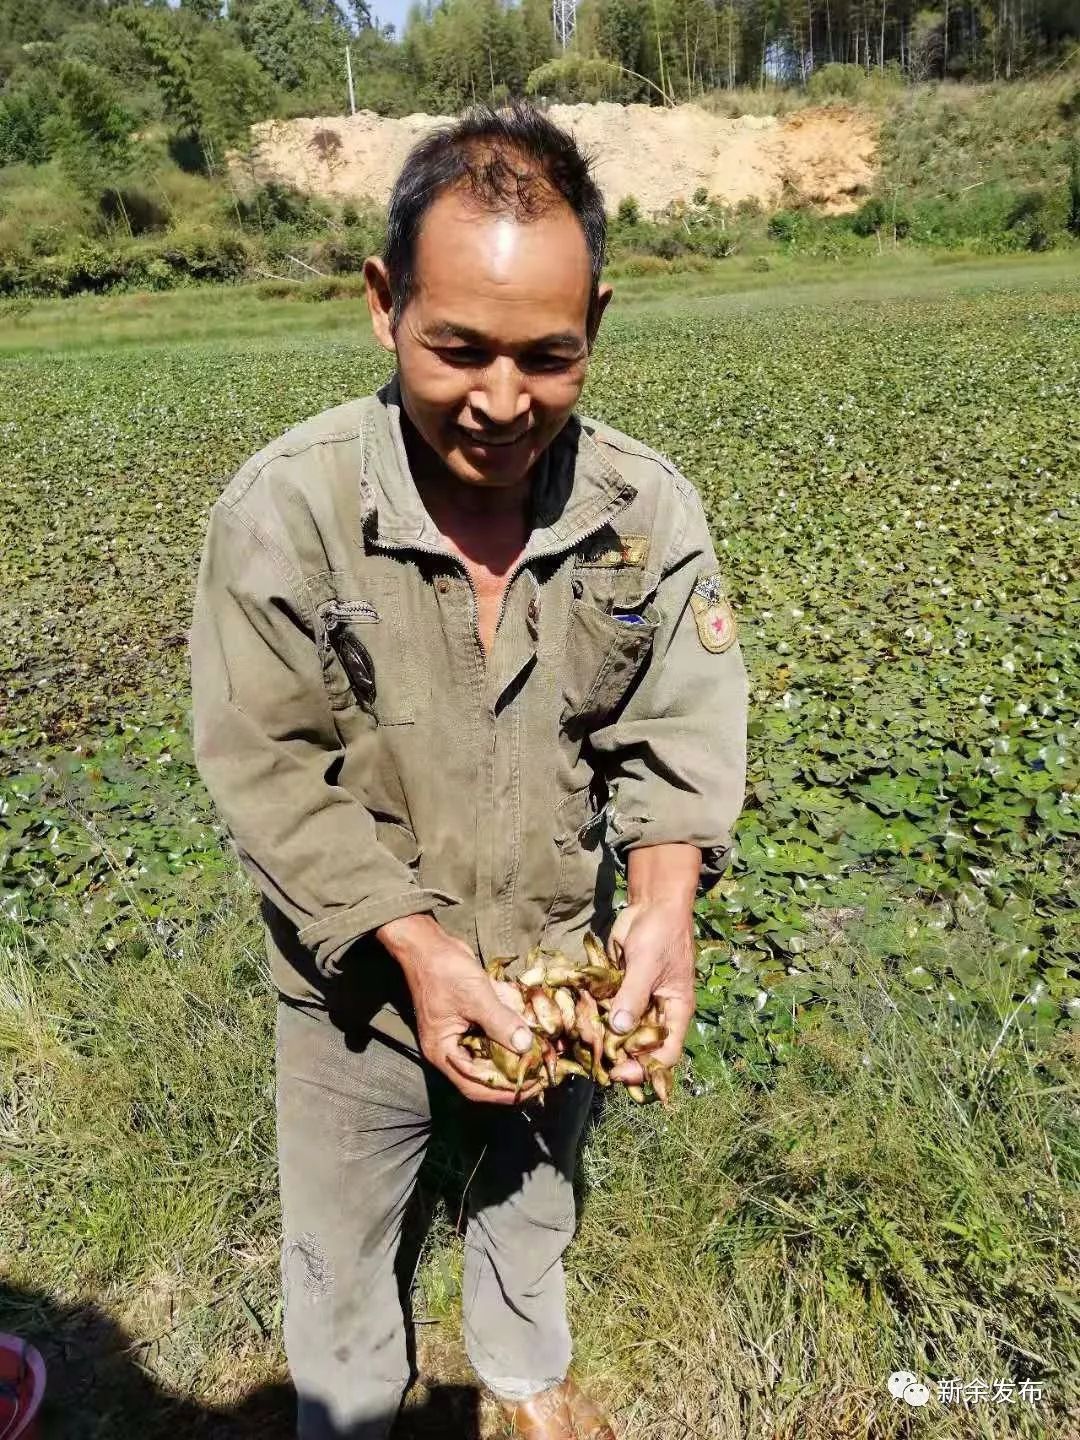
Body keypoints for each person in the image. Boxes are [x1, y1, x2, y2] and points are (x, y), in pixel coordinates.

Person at [188, 100, 748, 1440]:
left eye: (549, 358)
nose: (503, 402)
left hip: (561, 974)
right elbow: (267, 770)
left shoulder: (642, 514)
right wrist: (425, 955)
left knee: (528, 1199)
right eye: (460, 350)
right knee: (339, 1251)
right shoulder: (286, 512)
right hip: (358, 993)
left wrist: (662, 900)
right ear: (384, 305)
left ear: (596, 326)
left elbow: (681, 719)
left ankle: (522, 1378)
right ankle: (351, 1413)